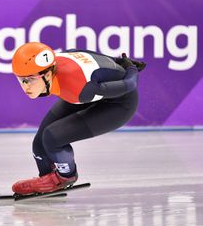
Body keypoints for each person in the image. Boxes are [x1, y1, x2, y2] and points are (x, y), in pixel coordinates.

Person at [10, 42, 146, 195]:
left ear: (48, 75)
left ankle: (65, 177)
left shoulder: (77, 88)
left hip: (119, 104)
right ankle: (47, 180)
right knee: (39, 144)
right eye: (21, 80)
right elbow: (80, 52)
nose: (25, 87)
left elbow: (129, 85)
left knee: (52, 137)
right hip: (90, 89)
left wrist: (131, 68)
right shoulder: (57, 59)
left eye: (30, 80)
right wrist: (118, 60)